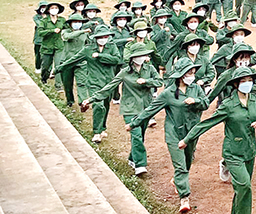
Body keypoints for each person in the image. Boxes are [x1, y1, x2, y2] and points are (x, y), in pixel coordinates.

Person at [179, 66, 256, 214]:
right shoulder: (228, 105)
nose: (247, 83)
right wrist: (187, 139)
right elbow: (207, 122)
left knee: (240, 190)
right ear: (236, 84)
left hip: (250, 151)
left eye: (250, 80)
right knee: (244, 186)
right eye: (243, 81)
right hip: (233, 153)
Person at [130, 57, 210, 213]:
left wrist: (195, 101)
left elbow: (206, 103)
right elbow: (150, 110)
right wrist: (134, 123)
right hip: (174, 132)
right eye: (188, 73)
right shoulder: (168, 93)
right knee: (180, 165)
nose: (191, 76)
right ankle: (184, 198)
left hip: (192, 132)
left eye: (193, 72)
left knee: (187, 161)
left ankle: (177, 180)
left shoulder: (196, 89)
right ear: (180, 75)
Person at [84, 46, 163, 175]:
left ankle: (132, 158)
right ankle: (140, 165)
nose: (141, 58)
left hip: (146, 107)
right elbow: (109, 87)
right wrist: (91, 99)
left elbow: (159, 82)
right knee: (136, 135)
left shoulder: (150, 69)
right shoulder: (125, 72)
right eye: (138, 56)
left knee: (140, 136)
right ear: (132, 58)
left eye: (143, 55)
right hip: (130, 108)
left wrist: (146, 81)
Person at [56, 24, 123, 143]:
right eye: (101, 37)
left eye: (106, 36)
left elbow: (117, 60)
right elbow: (74, 59)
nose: (103, 39)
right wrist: (58, 69)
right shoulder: (88, 50)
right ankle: (96, 132)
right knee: (98, 105)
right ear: (95, 38)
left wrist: (100, 56)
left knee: (106, 105)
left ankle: (102, 127)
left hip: (108, 82)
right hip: (94, 82)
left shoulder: (112, 47)